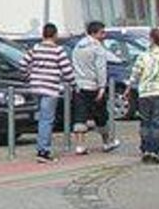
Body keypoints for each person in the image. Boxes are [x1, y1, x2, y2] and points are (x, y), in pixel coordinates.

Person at [21, 23, 75, 163]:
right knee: (47, 120)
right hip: (50, 88)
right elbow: (67, 71)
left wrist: (29, 76)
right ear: (55, 35)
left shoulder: (36, 48)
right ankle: (43, 151)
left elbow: (23, 64)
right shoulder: (58, 50)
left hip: (35, 87)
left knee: (41, 118)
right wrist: (73, 83)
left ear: (43, 34)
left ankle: (42, 147)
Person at [70, 21, 121, 155]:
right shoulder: (97, 48)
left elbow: (74, 65)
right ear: (94, 33)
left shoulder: (78, 46)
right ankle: (107, 142)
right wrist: (102, 87)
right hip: (93, 86)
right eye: (102, 32)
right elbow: (101, 69)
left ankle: (80, 145)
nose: (104, 35)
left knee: (80, 116)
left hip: (80, 85)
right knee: (101, 116)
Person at [127, 27, 159, 164]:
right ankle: (156, 151)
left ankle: (146, 149)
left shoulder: (143, 56)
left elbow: (135, 73)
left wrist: (129, 86)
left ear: (152, 40)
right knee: (157, 123)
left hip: (144, 93)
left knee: (145, 122)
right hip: (158, 91)